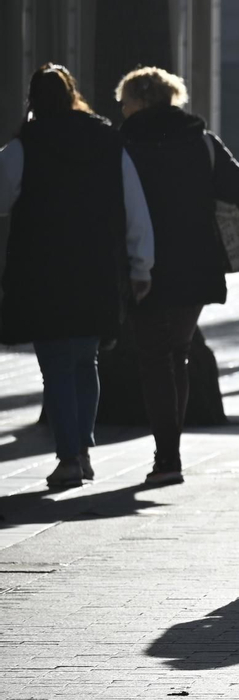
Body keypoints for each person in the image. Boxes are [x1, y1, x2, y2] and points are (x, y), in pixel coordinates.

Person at [0, 65, 154, 491]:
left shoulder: (22, 147)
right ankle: (82, 451)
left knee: (56, 368)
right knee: (87, 361)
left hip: (42, 273)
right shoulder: (107, 141)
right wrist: (141, 266)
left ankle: (69, 456)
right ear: (73, 95)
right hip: (96, 270)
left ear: (33, 99)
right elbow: (133, 206)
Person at [118, 67, 239, 486]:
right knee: (175, 352)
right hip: (197, 262)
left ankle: (168, 457)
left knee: (154, 357)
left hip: (143, 262)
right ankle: (169, 453)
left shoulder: (123, 143)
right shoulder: (201, 140)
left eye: (124, 101)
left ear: (138, 102)